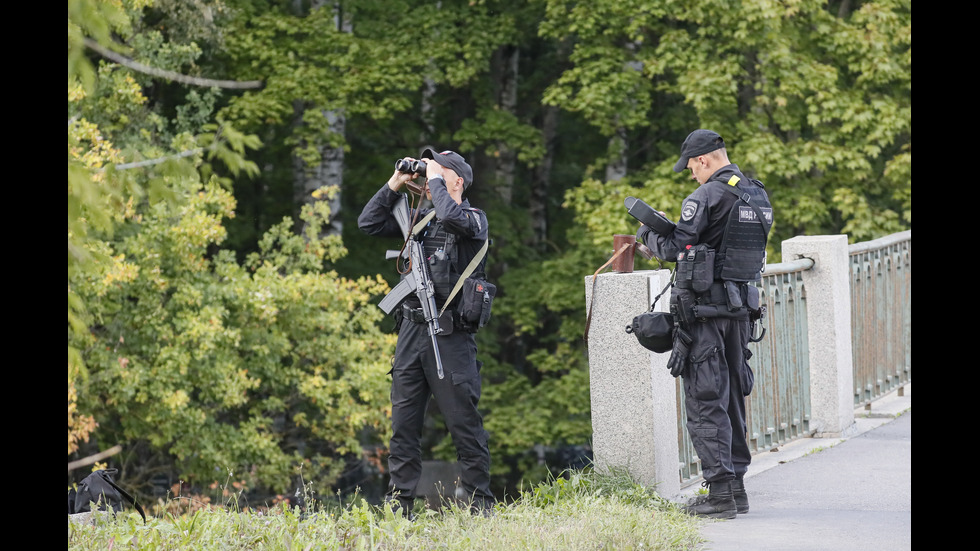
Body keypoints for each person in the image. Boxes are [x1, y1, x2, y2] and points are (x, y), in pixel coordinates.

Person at [636, 129, 772, 519]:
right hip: (740, 313)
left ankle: (719, 496)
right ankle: (737, 489)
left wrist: (649, 230)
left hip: (705, 316)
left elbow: (680, 248)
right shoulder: (756, 194)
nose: (690, 175)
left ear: (703, 160)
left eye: (691, 167)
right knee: (730, 399)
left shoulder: (706, 196)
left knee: (705, 399)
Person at [357, 148, 495, 517]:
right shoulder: (420, 218)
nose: (430, 176)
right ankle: (400, 504)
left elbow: (452, 214)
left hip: (450, 336)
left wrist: (434, 176)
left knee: (463, 423)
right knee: (403, 424)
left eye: (440, 171)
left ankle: (481, 501)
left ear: (457, 181)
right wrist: (396, 183)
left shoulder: (472, 219)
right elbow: (368, 223)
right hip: (411, 333)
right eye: (429, 169)